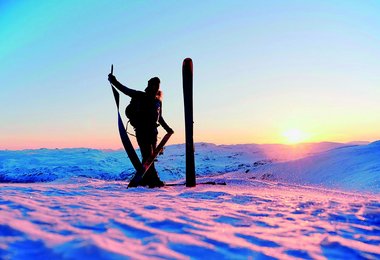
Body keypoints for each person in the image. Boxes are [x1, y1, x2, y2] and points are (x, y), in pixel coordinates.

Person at [108, 74, 174, 188]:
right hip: (142, 131)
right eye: (153, 85)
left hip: (153, 132)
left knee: (150, 157)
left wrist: (168, 129)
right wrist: (114, 81)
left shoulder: (158, 102)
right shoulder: (139, 96)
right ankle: (153, 180)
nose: (155, 88)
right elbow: (125, 90)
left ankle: (145, 179)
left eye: (157, 86)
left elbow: (159, 118)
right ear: (149, 86)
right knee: (148, 156)